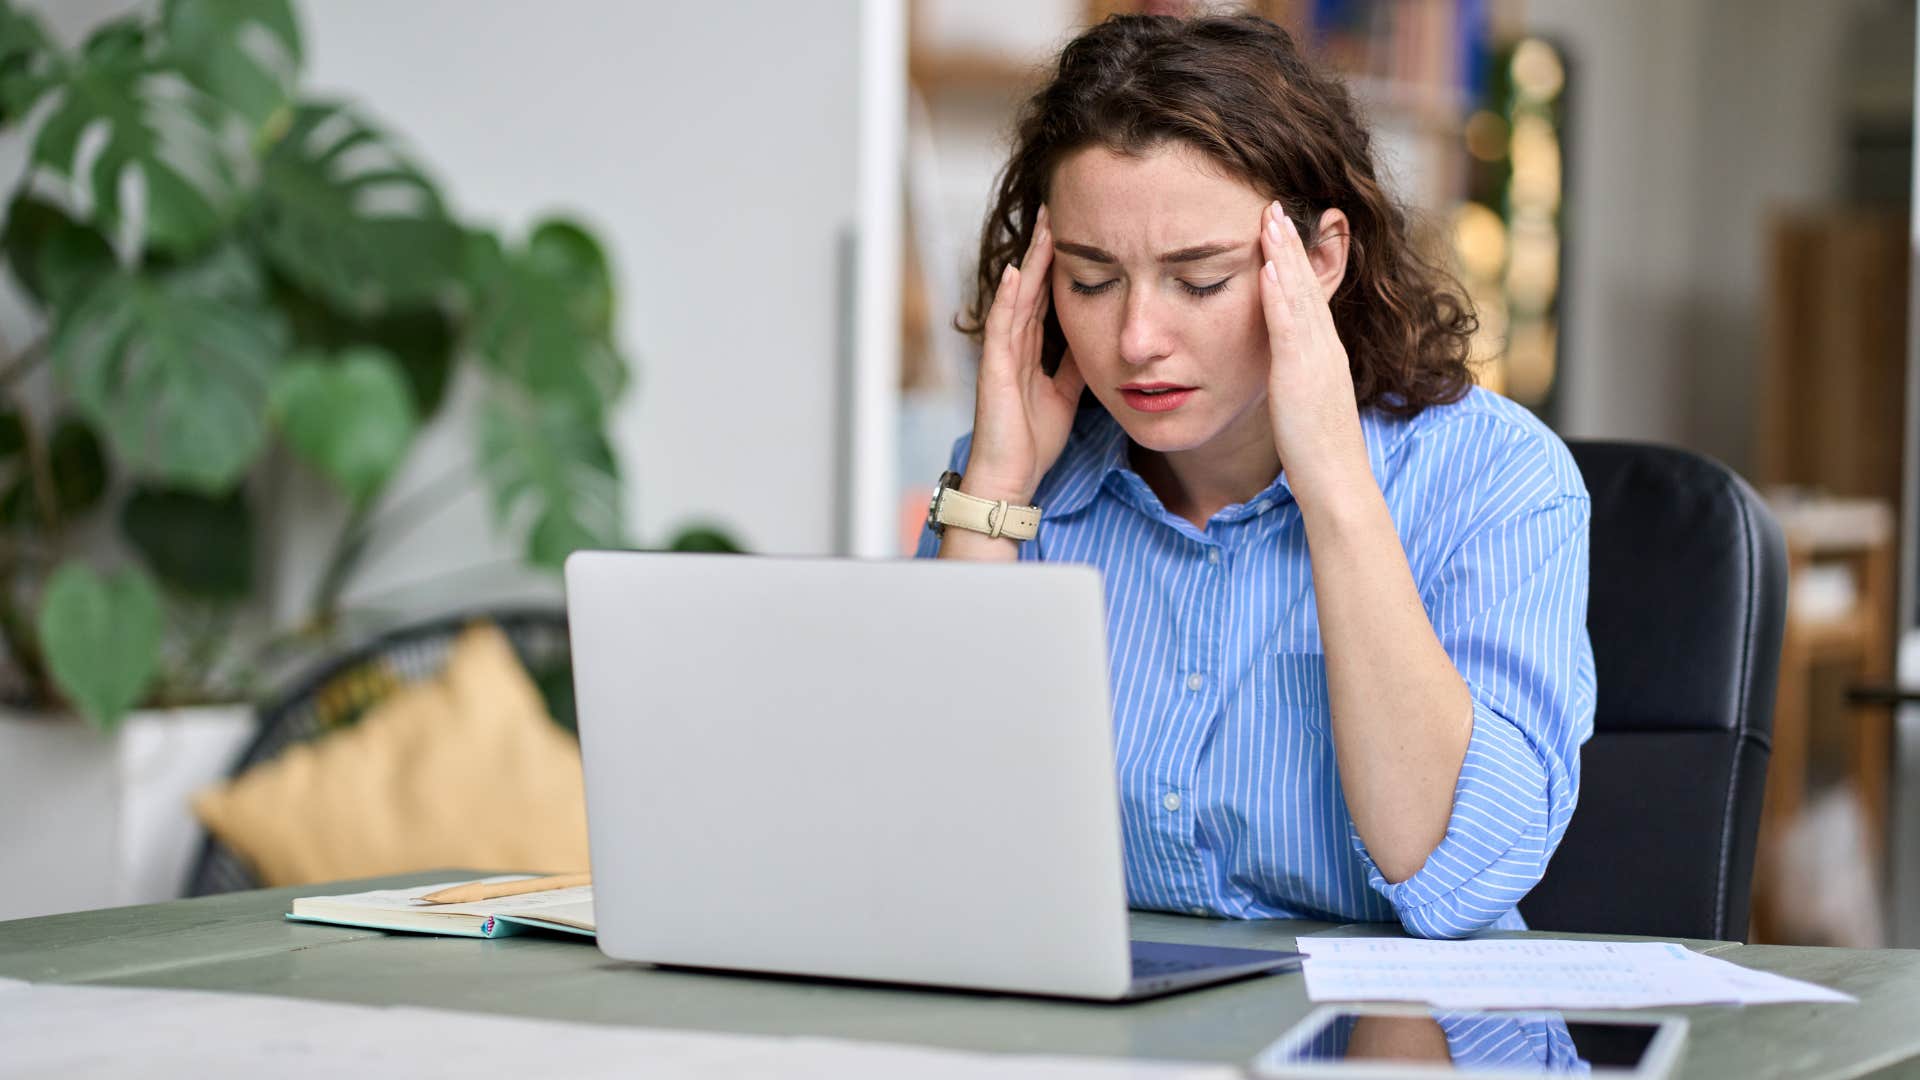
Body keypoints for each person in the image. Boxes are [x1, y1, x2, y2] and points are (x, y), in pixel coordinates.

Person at [914, 12, 1594, 939]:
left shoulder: (1497, 478)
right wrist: (994, 485)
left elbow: (1452, 877)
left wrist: (1336, 491)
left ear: (1317, 260)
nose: (1137, 340)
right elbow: (929, 843)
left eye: (1199, 281)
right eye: (1090, 279)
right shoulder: (1010, 487)